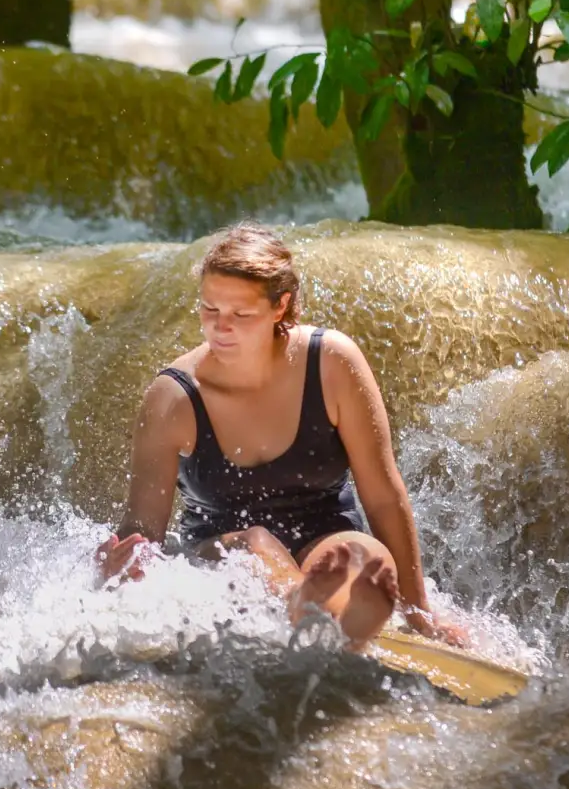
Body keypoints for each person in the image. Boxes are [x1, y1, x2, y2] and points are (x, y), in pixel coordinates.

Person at [94, 222, 468, 649]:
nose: (220, 327)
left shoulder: (332, 363)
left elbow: (382, 494)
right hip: (224, 555)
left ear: (280, 306)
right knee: (257, 543)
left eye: (240, 314)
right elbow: (143, 529)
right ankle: (304, 603)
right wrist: (118, 563)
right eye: (210, 309)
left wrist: (420, 614)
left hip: (325, 534)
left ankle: (338, 617)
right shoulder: (173, 397)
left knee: (366, 559)